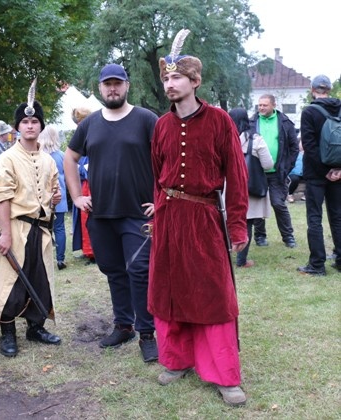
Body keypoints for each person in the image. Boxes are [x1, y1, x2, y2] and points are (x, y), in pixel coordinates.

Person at [148, 29, 248, 407]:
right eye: (166, 78)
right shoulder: (161, 126)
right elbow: (156, 175)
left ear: (194, 81)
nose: (170, 84)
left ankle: (224, 374)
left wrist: (237, 225)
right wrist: (157, 214)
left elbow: (237, 177)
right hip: (169, 216)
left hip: (205, 217)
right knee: (168, 289)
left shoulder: (220, 121)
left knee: (213, 294)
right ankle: (176, 359)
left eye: (177, 78)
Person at [64, 63, 158, 363]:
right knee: (114, 272)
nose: (112, 88)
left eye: (118, 83)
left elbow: (166, 158)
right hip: (101, 214)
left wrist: (161, 199)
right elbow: (70, 157)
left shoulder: (145, 119)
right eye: (107, 84)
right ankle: (123, 326)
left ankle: (147, 333)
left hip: (138, 213)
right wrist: (77, 196)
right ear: (100, 88)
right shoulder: (89, 124)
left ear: (127, 86)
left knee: (139, 271)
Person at [0, 97, 62, 358]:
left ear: (41, 126)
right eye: (25, 122)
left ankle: (35, 327)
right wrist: (5, 233)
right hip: (14, 228)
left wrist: (54, 199)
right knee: (10, 283)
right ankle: (8, 333)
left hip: (40, 230)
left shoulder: (47, 160)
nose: (30, 126)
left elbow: (52, 191)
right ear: (17, 128)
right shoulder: (7, 159)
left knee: (39, 281)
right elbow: (1, 196)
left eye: (35, 121)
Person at [297, 74, 341, 276]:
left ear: (312, 90)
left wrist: (324, 172)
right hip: (338, 173)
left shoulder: (309, 112)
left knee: (315, 218)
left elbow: (309, 146)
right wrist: (337, 171)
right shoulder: (339, 108)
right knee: (338, 216)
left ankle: (317, 264)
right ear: (329, 90)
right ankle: (340, 259)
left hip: (316, 174)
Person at [249, 94, 299, 248]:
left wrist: (286, 167)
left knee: (278, 204)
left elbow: (294, 147)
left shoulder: (285, 122)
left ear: (274, 105)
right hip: (257, 172)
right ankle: (260, 237)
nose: (261, 108)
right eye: (260, 105)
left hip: (278, 173)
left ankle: (288, 237)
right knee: (257, 204)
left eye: (265, 105)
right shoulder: (252, 122)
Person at [229, 108, 274, 268]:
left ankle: (225, 257)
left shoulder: (224, 138)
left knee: (226, 221)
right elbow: (268, 165)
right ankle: (241, 261)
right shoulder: (256, 140)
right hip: (249, 187)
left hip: (228, 188)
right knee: (246, 222)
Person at [38, 126, 68, 270]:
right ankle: (60, 259)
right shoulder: (62, 155)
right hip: (59, 197)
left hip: (42, 199)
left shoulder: (37, 156)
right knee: (60, 228)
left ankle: (44, 258)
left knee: (43, 229)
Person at [69, 107, 95, 264]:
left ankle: (94, 252)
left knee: (91, 218)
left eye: (80, 122)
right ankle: (87, 251)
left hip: (91, 184)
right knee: (83, 219)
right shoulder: (80, 136)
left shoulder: (93, 135)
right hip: (83, 184)